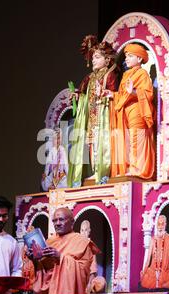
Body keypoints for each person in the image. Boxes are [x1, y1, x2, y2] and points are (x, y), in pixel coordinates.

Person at [68, 35, 119, 187]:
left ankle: (102, 171)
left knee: (101, 142)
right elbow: (82, 93)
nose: (94, 60)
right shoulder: (89, 78)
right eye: (93, 57)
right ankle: (94, 170)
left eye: (97, 57)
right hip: (91, 115)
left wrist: (105, 95)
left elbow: (115, 94)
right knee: (91, 143)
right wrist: (77, 96)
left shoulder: (110, 75)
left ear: (107, 60)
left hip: (104, 115)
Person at [104, 43, 155, 180]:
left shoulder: (142, 74)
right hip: (125, 111)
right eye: (126, 56)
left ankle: (137, 168)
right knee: (126, 139)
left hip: (137, 110)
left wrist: (133, 91)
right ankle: (129, 166)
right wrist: (112, 95)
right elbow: (122, 95)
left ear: (139, 59)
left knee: (135, 138)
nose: (126, 58)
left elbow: (148, 94)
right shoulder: (126, 74)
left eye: (130, 56)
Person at [28, 207, 99, 294]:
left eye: (61, 219)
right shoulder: (49, 242)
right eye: (54, 221)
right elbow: (45, 274)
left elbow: (83, 272)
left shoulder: (82, 242)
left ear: (72, 222)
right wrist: (35, 260)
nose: (57, 223)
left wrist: (60, 257)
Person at [140, 215, 169, 290]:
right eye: (158, 224)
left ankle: (163, 283)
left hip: (164, 272)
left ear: (165, 224)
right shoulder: (152, 239)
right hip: (153, 272)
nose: (160, 226)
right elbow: (148, 259)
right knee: (145, 276)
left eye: (162, 224)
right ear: (156, 225)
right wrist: (144, 271)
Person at [79, 220, 99, 294]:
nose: (84, 233)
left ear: (89, 231)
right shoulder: (77, 244)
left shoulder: (90, 246)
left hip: (88, 279)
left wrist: (90, 283)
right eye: (82, 230)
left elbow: (93, 268)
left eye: (86, 230)